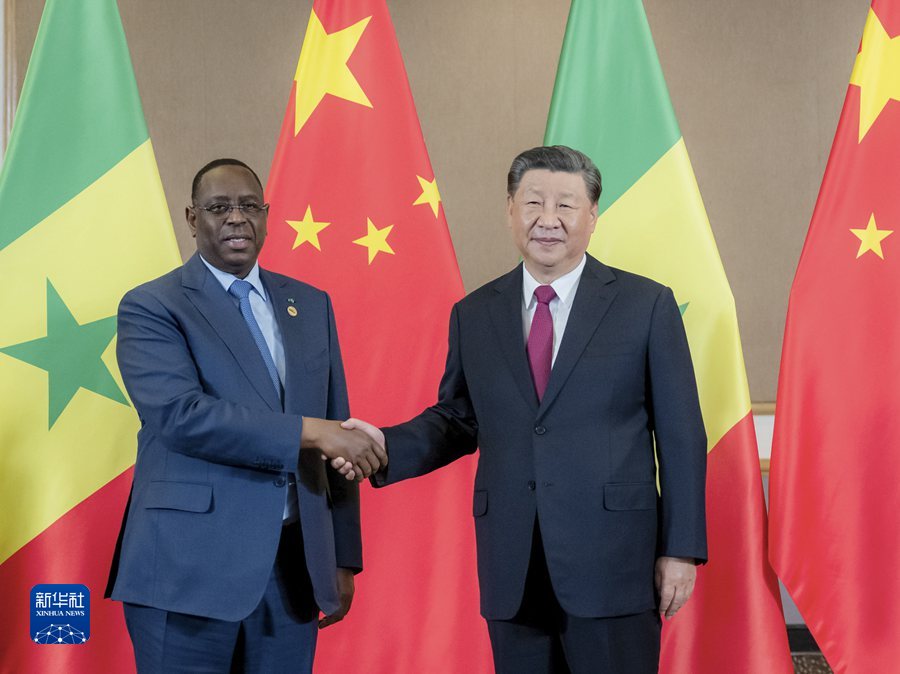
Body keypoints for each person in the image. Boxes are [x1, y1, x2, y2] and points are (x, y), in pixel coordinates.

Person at [341, 146, 707, 673]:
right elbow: (459, 419)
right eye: (533, 202)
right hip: (513, 562)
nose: (548, 220)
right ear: (510, 209)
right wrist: (383, 447)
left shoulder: (645, 305)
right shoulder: (475, 313)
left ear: (593, 215)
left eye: (566, 205)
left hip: (614, 562)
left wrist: (681, 550)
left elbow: (681, 434)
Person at [106, 158, 386, 673]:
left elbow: (337, 428)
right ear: (192, 218)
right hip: (186, 572)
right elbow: (181, 417)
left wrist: (342, 557)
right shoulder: (152, 305)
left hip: (291, 572)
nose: (236, 218)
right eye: (218, 208)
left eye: (248, 206)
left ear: (266, 214)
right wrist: (309, 431)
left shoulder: (311, 304)